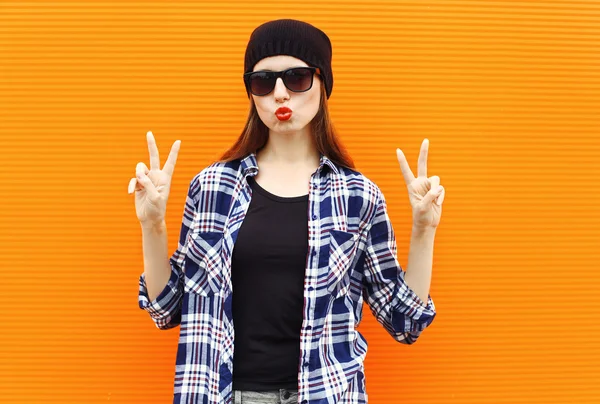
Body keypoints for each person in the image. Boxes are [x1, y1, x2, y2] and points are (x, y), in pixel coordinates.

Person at [129, 19, 444, 404]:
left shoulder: (359, 196)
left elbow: (404, 321)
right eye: (263, 81)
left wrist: (424, 230)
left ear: (322, 84)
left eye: (296, 78)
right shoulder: (213, 188)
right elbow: (166, 308)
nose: (280, 94)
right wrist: (152, 224)